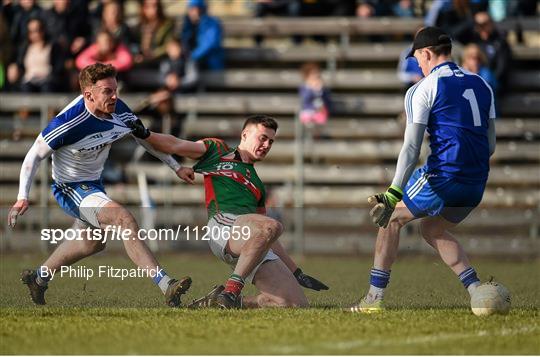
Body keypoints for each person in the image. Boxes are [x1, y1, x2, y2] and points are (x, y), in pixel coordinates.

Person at [7, 63, 193, 307]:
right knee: (124, 219)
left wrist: (176, 167)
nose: (115, 96)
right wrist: (23, 196)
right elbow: (34, 155)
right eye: (107, 91)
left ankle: (39, 278)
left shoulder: (119, 111)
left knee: (92, 243)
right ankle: (166, 285)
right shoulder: (68, 122)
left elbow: (146, 139)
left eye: (116, 90)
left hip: (94, 185)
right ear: (88, 95)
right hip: (70, 188)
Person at [348, 27, 496, 313]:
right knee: (432, 228)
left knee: (389, 218)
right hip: (476, 182)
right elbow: (489, 145)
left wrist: (393, 192)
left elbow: (411, 149)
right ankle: (479, 291)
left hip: (443, 176)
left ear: (427, 53)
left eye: (417, 60)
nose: (418, 65)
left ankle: (373, 300)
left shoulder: (423, 88)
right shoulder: (481, 84)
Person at [128, 115, 329, 309]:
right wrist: (146, 134)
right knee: (271, 225)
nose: (267, 145)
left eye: (271, 142)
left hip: (247, 237)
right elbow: (175, 145)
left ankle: (218, 301)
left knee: (293, 303)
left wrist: (297, 272)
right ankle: (231, 290)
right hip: (222, 226)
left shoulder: (258, 185)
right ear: (244, 135)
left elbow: (268, 237)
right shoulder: (218, 150)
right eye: (263, 138)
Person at [180, 0, 224, 71]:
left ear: (202, 9)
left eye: (195, 8)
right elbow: (184, 41)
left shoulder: (212, 23)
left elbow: (209, 45)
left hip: (210, 63)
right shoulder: (188, 24)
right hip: (193, 63)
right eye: (191, 8)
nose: (193, 11)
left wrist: (191, 56)